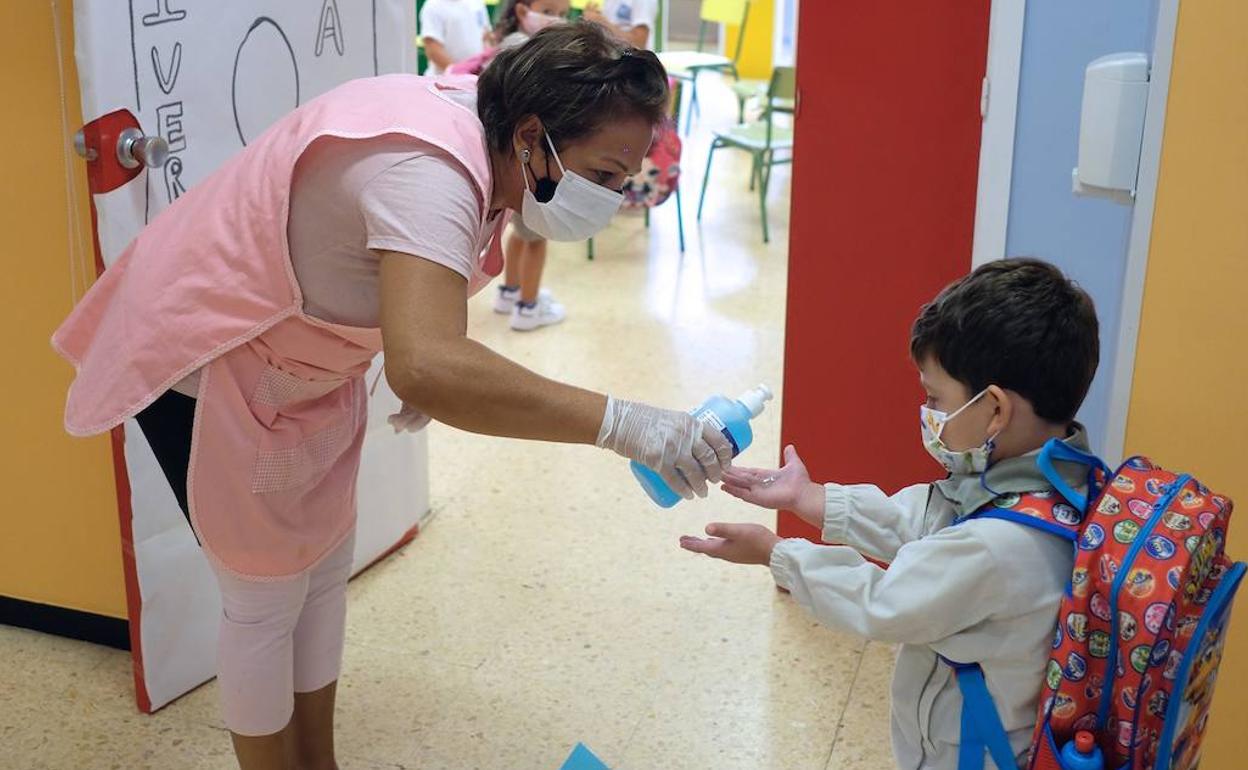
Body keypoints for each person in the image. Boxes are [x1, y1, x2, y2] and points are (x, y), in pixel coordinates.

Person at [54, 24, 732, 770]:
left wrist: (425, 354)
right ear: (534, 136)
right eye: (602, 175)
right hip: (212, 356)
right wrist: (623, 424)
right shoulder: (426, 166)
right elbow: (430, 363)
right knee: (263, 602)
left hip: (303, 371)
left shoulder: (496, 138)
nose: (610, 199)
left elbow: (419, 315)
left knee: (319, 575)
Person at [680, 259, 1102, 769]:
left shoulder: (999, 548)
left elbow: (883, 602)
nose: (929, 414)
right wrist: (810, 498)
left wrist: (777, 555)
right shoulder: (1052, 478)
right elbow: (924, 523)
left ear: (995, 409)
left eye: (936, 398)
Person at [490, 0, 574, 330]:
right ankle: (528, 306)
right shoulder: (527, 52)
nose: (557, 21)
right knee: (537, 239)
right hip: (531, 166)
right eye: (549, 12)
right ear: (523, 12)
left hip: (512, 167)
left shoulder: (508, 44)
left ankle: (509, 292)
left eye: (564, 15)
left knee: (519, 232)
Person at [421, 0, 492, 75]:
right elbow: (432, 48)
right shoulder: (433, 6)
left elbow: (486, 35)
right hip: (443, 80)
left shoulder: (477, 2)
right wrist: (456, 71)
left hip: (475, 79)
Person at [584, 0, 657, 49]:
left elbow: (639, 43)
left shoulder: (644, 2)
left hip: (634, 65)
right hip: (614, 63)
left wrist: (601, 22)